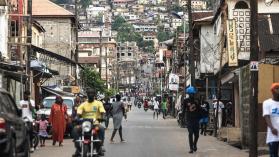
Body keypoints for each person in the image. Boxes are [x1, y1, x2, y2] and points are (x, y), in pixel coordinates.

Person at [72, 89, 106, 157]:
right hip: (85, 124)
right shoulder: (83, 104)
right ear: (87, 95)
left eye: (92, 93)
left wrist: (102, 117)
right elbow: (78, 114)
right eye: (89, 93)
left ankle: (100, 147)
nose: (91, 95)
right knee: (75, 129)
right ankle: (78, 149)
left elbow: (103, 112)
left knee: (101, 128)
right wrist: (76, 118)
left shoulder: (99, 103)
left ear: (94, 95)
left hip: (95, 124)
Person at [263, 83, 279, 157]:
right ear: (272, 91)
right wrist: (272, 128)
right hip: (273, 135)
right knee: (273, 155)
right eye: (277, 88)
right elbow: (266, 116)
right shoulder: (267, 103)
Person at [185, 86, 201, 153]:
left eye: (193, 93)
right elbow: (183, 110)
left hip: (196, 120)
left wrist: (200, 118)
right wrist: (183, 119)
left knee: (197, 135)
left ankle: (194, 144)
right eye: (190, 93)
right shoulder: (185, 101)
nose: (192, 95)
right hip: (189, 119)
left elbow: (199, 110)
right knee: (190, 133)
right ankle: (191, 148)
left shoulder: (197, 100)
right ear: (188, 94)